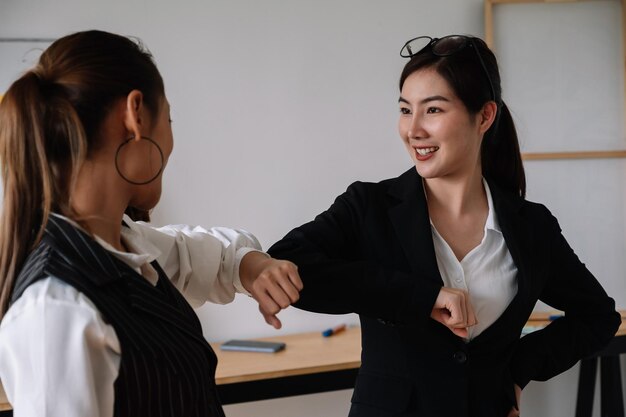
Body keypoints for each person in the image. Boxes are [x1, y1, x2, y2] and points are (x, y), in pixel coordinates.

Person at [267, 34, 621, 417]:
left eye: (432, 110)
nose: (413, 129)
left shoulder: (530, 226)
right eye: (405, 110)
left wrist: (517, 371)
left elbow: (598, 316)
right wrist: (423, 297)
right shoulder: (368, 207)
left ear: (484, 116)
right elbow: (287, 265)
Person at [0, 30, 302, 417]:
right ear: (136, 114)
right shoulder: (57, 309)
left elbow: (209, 254)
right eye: (169, 118)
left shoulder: (125, 247)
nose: (172, 141)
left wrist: (253, 265)